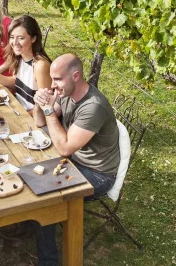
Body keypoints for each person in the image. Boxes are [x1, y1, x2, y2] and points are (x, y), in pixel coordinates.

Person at [30, 54, 121, 266]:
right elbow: (39, 121)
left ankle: (49, 261)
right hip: (75, 161)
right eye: (52, 80)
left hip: (98, 174)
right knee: (29, 173)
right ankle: (30, 222)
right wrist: (39, 104)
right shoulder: (67, 93)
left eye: (57, 79)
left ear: (76, 76)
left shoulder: (93, 107)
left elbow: (63, 147)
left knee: (46, 200)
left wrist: (49, 112)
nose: (53, 85)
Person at [0, 15, 51, 111]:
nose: (15, 42)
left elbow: (46, 105)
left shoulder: (40, 65)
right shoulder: (20, 57)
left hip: (33, 119)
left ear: (33, 39)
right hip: (18, 109)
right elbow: (16, 82)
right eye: (12, 37)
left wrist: (22, 116)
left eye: (21, 38)